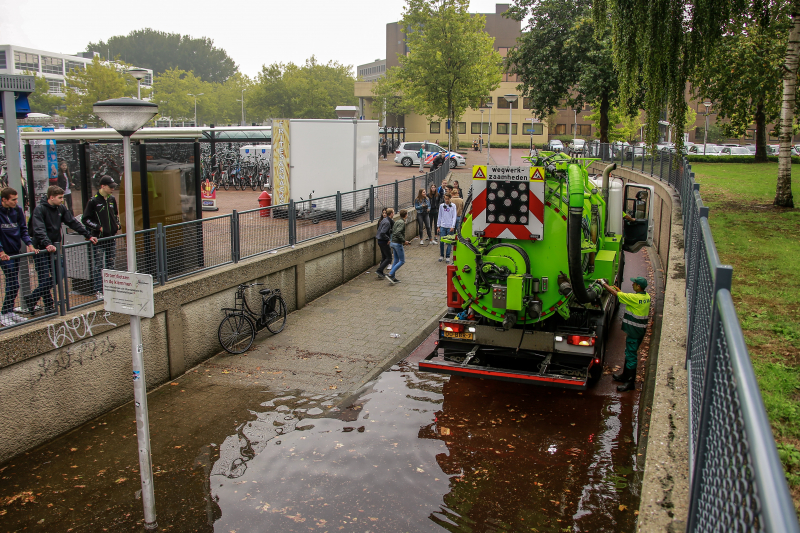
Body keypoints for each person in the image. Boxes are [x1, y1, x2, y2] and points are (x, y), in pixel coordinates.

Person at [28, 186, 97, 314]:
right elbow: (39, 229)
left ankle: (32, 298)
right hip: (42, 249)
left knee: (60, 274)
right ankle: (49, 305)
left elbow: (72, 222)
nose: (62, 200)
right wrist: (47, 243)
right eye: (59, 198)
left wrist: (88, 234)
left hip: (54, 248)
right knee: (44, 277)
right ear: (51, 197)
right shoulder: (40, 209)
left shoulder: (61, 208)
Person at [600, 276, 651, 392]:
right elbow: (625, 297)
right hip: (639, 331)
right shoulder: (646, 297)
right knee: (629, 353)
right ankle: (625, 375)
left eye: (634, 283)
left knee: (631, 356)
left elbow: (615, 294)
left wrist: (603, 283)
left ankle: (629, 382)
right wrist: (619, 290)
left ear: (638, 286)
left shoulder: (634, 298)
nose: (632, 284)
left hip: (634, 331)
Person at [0, 187, 35, 326]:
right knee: (13, 282)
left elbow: (23, 228)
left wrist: (29, 243)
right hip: (4, 254)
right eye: (13, 200)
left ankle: (9, 311)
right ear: (4, 200)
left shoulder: (17, 210)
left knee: (13, 283)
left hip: (15, 252)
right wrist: (1, 251)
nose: (16, 202)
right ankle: (3, 313)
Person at [82, 176, 121, 299]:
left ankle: (111, 289)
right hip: (98, 239)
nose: (112, 189)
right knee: (98, 265)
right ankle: (99, 290)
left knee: (111, 263)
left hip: (111, 237)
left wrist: (117, 224)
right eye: (110, 187)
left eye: (113, 187)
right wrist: (99, 228)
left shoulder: (112, 199)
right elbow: (85, 219)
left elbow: (115, 214)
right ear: (102, 186)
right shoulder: (93, 201)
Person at [387, 209, 410, 284]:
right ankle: (391, 274)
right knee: (402, 261)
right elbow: (398, 232)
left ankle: (393, 277)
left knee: (396, 260)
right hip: (397, 243)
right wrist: (404, 241)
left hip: (393, 242)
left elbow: (393, 231)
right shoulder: (402, 223)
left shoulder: (396, 221)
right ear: (406, 215)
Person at [437, 193, 457, 263]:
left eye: (448, 199)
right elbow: (439, 215)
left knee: (449, 242)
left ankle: (447, 256)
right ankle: (441, 255)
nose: (447, 200)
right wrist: (438, 226)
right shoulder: (442, 206)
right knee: (441, 241)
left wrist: (452, 226)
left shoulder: (453, 206)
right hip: (443, 226)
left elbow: (454, 216)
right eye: (445, 199)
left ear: (450, 199)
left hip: (449, 226)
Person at [375, 208, 394, 279]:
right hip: (383, 241)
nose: (394, 214)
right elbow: (383, 232)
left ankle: (380, 272)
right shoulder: (387, 222)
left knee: (384, 257)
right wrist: (388, 239)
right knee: (389, 258)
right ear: (391, 214)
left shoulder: (385, 220)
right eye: (393, 212)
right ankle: (379, 271)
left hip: (380, 241)